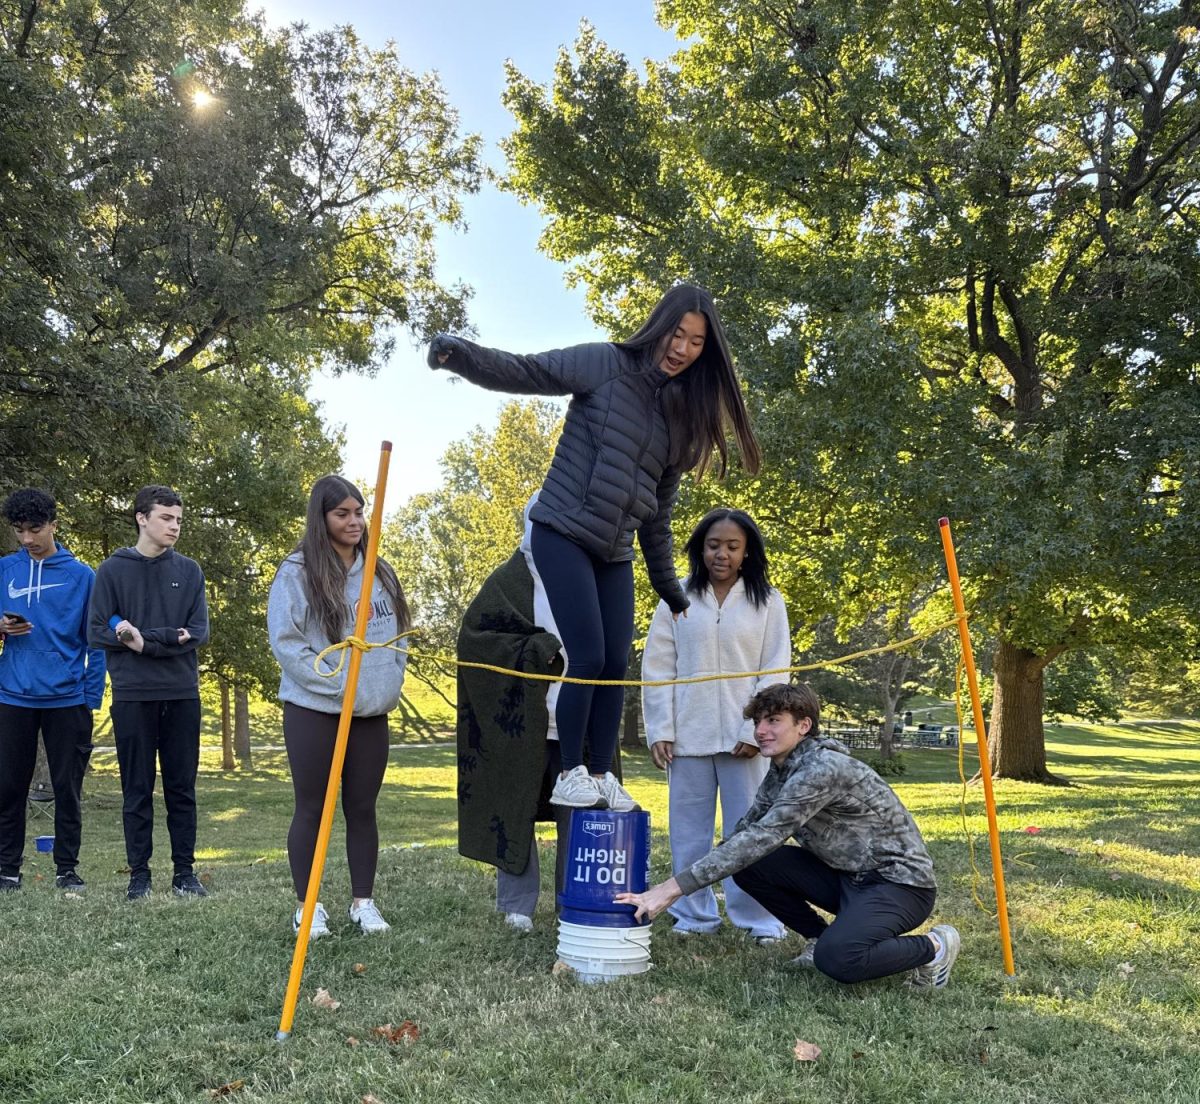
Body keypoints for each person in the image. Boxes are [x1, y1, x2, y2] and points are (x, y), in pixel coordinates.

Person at [428, 284, 761, 812]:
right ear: (660, 326)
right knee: (584, 653)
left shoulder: (677, 418)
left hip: (613, 551)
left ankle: (601, 773)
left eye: (697, 343)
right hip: (561, 531)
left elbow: (656, 518)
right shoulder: (603, 364)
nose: (683, 349)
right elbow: (528, 372)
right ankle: (570, 772)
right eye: (678, 334)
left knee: (612, 661)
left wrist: (672, 591)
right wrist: (461, 356)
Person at [617, 683, 961, 988]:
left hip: (899, 886)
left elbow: (766, 835)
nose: (761, 731)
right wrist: (689, 877)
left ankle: (934, 946)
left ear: (804, 725)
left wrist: (668, 891)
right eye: (758, 722)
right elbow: (746, 833)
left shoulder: (822, 769)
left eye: (773, 721)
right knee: (750, 864)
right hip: (848, 879)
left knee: (839, 959)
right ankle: (819, 937)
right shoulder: (783, 768)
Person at [267, 476, 409, 938]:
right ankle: (308, 907)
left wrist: (383, 684)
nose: (354, 521)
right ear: (321, 518)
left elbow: (396, 639)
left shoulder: (379, 572)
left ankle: (363, 904)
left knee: (363, 807)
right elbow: (287, 644)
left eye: (358, 511)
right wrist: (337, 684)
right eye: (341, 513)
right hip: (315, 709)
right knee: (312, 806)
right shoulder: (297, 571)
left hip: (370, 712)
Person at [641, 508, 790, 944]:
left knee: (748, 835)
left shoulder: (768, 601)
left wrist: (757, 731)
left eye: (731, 546)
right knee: (690, 835)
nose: (721, 554)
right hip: (688, 738)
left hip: (747, 742)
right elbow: (658, 668)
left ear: (746, 553)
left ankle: (759, 921)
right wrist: (661, 729)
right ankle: (693, 918)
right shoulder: (675, 599)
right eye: (712, 545)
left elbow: (775, 670)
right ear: (699, 549)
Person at [88, 485, 209, 901]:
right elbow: (97, 629)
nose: (174, 526)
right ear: (142, 518)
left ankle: (184, 875)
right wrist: (145, 639)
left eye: (178, 519)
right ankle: (139, 876)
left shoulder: (190, 571)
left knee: (181, 787)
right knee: (136, 788)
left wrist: (145, 642)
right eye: (166, 518)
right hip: (132, 694)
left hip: (181, 693)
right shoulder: (112, 570)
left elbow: (197, 633)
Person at [0, 489, 105, 893]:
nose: (27, 539)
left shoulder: (83, 576)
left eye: (35, 529)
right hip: (12, 697)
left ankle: (67, 869)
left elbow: (96, 644)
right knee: (8, 787)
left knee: (67, 789)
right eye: (19, 530)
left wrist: (90, 697)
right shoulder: (6, 570)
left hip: (67, 700)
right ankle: (8, 870)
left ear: (54, 526)